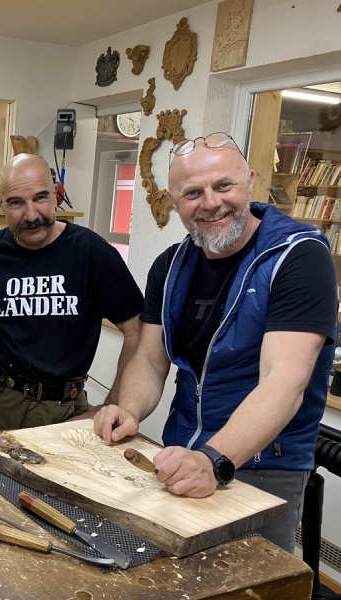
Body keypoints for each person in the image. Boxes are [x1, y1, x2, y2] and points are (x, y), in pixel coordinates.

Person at [93, 132, 337, 552]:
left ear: (250, 182)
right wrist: (128, 411)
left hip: (263, 465)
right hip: (181, 453)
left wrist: (213, 459)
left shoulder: (299, 258)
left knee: (248, 580)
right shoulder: (171, 266)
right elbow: (150, 359)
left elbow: (285, 380)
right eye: (192, 193)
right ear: (173, 202)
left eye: (224, 185)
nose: (210, 203)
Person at [0, 153, 143, 432]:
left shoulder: (91, 252)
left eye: (40, 198)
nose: (31, 216)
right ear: (1, 204)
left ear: (55, 195)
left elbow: (136, 328)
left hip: (67, 408)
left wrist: (113, 404)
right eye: (16, 203)